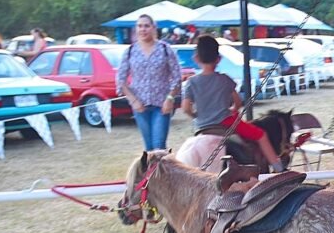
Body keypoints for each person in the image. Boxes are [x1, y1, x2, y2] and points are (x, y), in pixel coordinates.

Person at [182, 36, 284, 173]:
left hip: (202, 126)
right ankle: (279, 168)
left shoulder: (191, 82)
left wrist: (195, 115)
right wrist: (233, 109)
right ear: (218, 59)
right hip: (226, 122)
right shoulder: (225, 79)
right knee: (261, 135)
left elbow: (186, 108)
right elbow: (238, 102)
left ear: (196, 58)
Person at [116, 14, 182, 151]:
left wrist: (170, 98)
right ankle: (151, 172)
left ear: (153, 28)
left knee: (159, 147)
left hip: (161, 106)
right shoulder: (130, 51)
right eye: (140, 26)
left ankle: (161, 172)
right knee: (149, 148)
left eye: (146, 26)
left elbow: (177, 77)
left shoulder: (165, 49)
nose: (143, 29)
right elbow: (121, 79)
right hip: (140, 106)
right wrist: (133, 100)